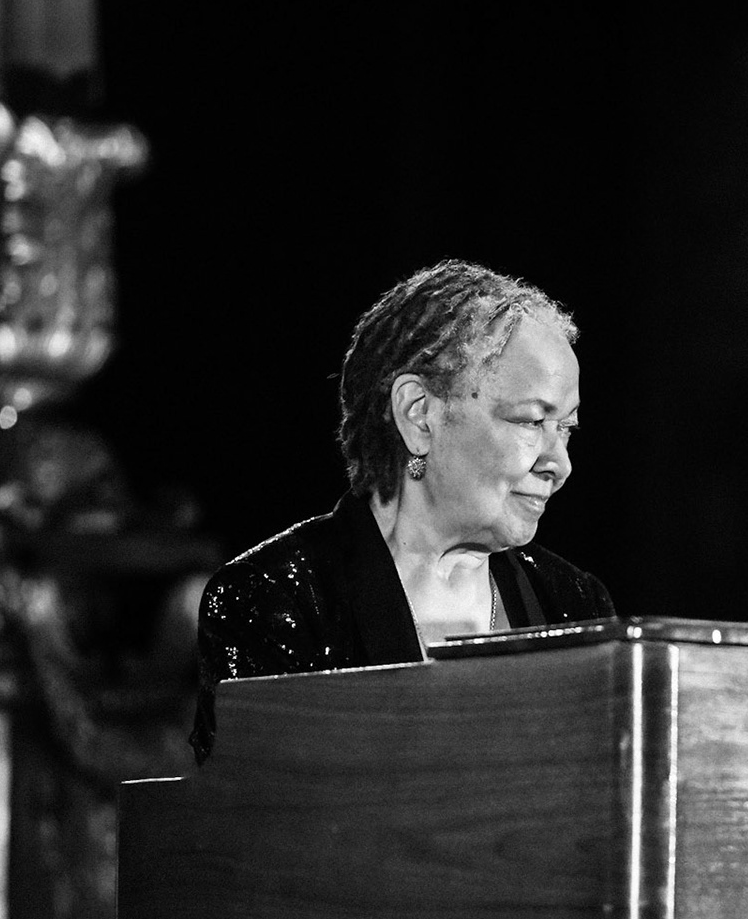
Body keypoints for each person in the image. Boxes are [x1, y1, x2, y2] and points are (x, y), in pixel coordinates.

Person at [190, 260, 614, 761]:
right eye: (531, 421)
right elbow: (254, 823)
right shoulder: (277, 600)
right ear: (419, 415)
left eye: (566, 429)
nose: (558, 464)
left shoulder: (574, 604)